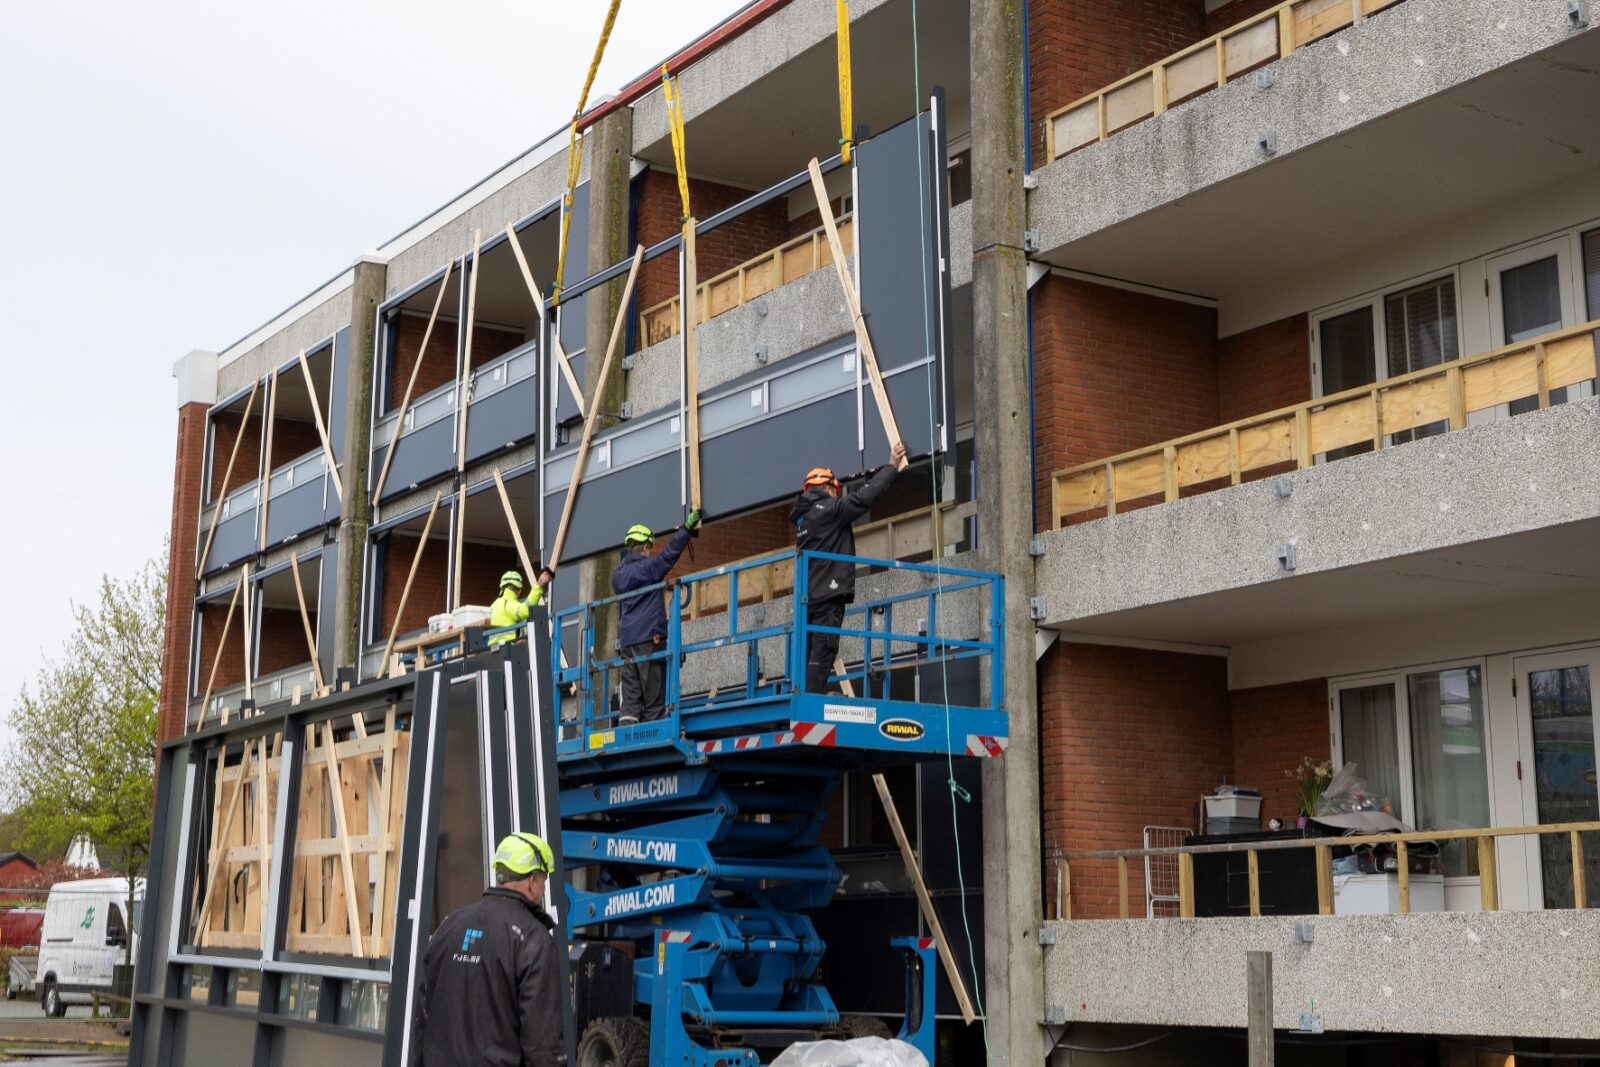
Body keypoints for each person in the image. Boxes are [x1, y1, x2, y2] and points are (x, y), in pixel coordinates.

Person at [416, 831, 563, 1067]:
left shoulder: (448, 926)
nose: (543, 889)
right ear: (532, 881)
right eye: (543, 880)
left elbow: (423, 1017)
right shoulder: (533, 939)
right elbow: (542, 1044)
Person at [791, 441, 907, 693]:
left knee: (808, 650)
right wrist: (891, 466)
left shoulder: (802, 518)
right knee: (824, 648)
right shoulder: (829, 509)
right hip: (829, 594)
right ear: (826, 488)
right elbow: (865, 497)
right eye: (835, 490)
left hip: (808, 597)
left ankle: (803, 694)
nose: (838, 494)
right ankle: (811, 700)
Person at [612, 511, 702, 724]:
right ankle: (652, 737)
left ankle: (627, 736)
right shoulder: (647, 568)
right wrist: (686, 530)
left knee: (631, 697)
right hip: (649, 639)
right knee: (654, 696)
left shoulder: (618, 575)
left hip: (627, 642)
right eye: (649, 548)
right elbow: (668, 555)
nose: (650, 552)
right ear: (644, 547)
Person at [488, 568, 553, 648]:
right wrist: (539, 586)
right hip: (507, 649)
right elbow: (524, 611)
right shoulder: (507, 603)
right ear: (519, 589)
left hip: (494, 651)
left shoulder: (493, 606)